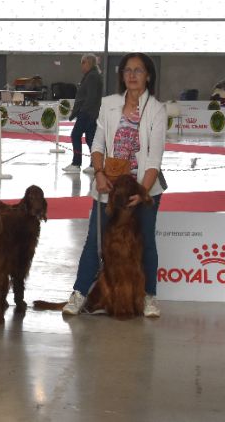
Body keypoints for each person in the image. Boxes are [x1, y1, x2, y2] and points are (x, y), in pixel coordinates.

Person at [63, 53, 166, 318]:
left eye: (138, 70)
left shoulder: (156, 110)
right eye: (127, 70)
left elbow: (154, 159)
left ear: (149, 76)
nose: (132, 75)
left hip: (143, 189)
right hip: (108, 186)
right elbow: (97, 143)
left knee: (146, 243)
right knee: (94, 242)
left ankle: (148, 297)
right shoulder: (108, 104)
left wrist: (141, 193)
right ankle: (79, 293)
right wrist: (98, 173)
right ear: (122, 75)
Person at [63, 54, 103, 174]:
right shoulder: (93, 75)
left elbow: (91, 97)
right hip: (92, 113)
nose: (81, 65)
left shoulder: (92, 76)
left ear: (89, 63)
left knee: (75, 135)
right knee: (90, 139)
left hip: (87, 113)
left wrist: (83, 111)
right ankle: (93, 164)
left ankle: (76, 163)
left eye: (83, 62)